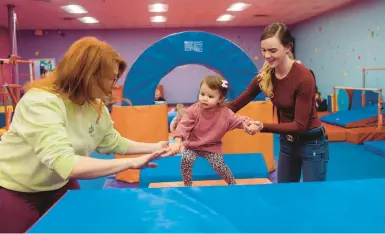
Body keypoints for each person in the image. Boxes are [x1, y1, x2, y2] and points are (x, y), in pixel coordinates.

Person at [0, 37, 170, 233]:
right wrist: (130, 163)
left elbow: (113, 142)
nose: (115, 85)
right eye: (112, 78)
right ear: (90, 74)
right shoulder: (41, 102)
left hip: (58, 185)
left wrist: (157, 147)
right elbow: (66, 163)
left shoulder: (94, 106)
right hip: (16, 189)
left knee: (77, 226)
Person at [226, 22, 329, 183]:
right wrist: (199, 111)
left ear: (288, 47)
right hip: (287, 143)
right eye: (263, 50)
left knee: (313, 195)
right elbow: (234, 105)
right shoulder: (266, 75)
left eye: (273, 50)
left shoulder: (304, 77)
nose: (267, 56)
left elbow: (299, 126)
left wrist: (262, 126)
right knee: (285, 193)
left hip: (311, 142)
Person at [168, 75, 258, 186]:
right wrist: (177, 142)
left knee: (218, 165)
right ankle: (187, 184)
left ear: (220, 99)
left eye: (210, 96)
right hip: (193, 145)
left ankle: (232, 183)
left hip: (212, 146)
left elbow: (238, 120)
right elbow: (183, 125)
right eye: (202, 94)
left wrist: (249, 125)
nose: (204, 98)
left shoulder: (225, 113)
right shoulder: (194, 110)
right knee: (186, 159)